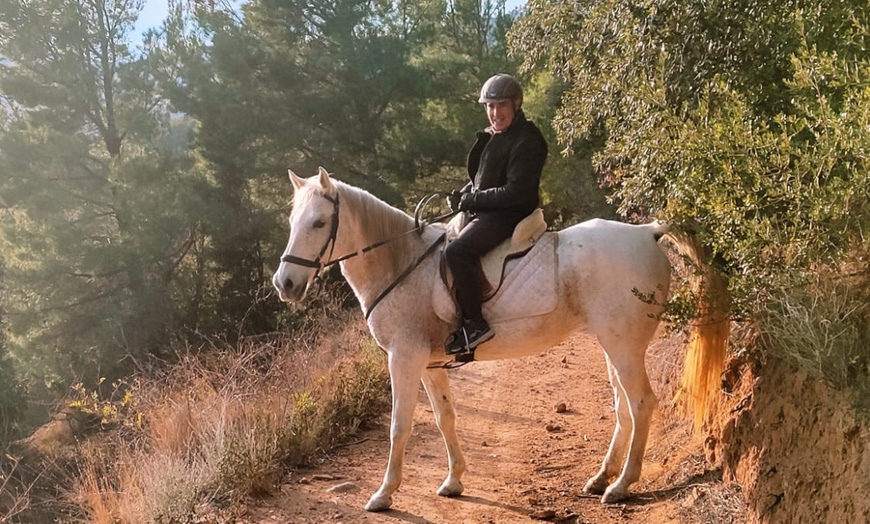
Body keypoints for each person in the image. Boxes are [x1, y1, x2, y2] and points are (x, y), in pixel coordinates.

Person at [444, 73, 548, 355]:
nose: (494, 112)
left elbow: (515, 192)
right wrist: (463, 193)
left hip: (510, 213)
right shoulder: (496, 136)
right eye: (489, 106)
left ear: (515, 105)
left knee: (457, 252)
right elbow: (483, 181)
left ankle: (475, 324)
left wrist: (473, 199)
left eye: (501, 105)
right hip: (491, 208)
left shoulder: (527, 140)